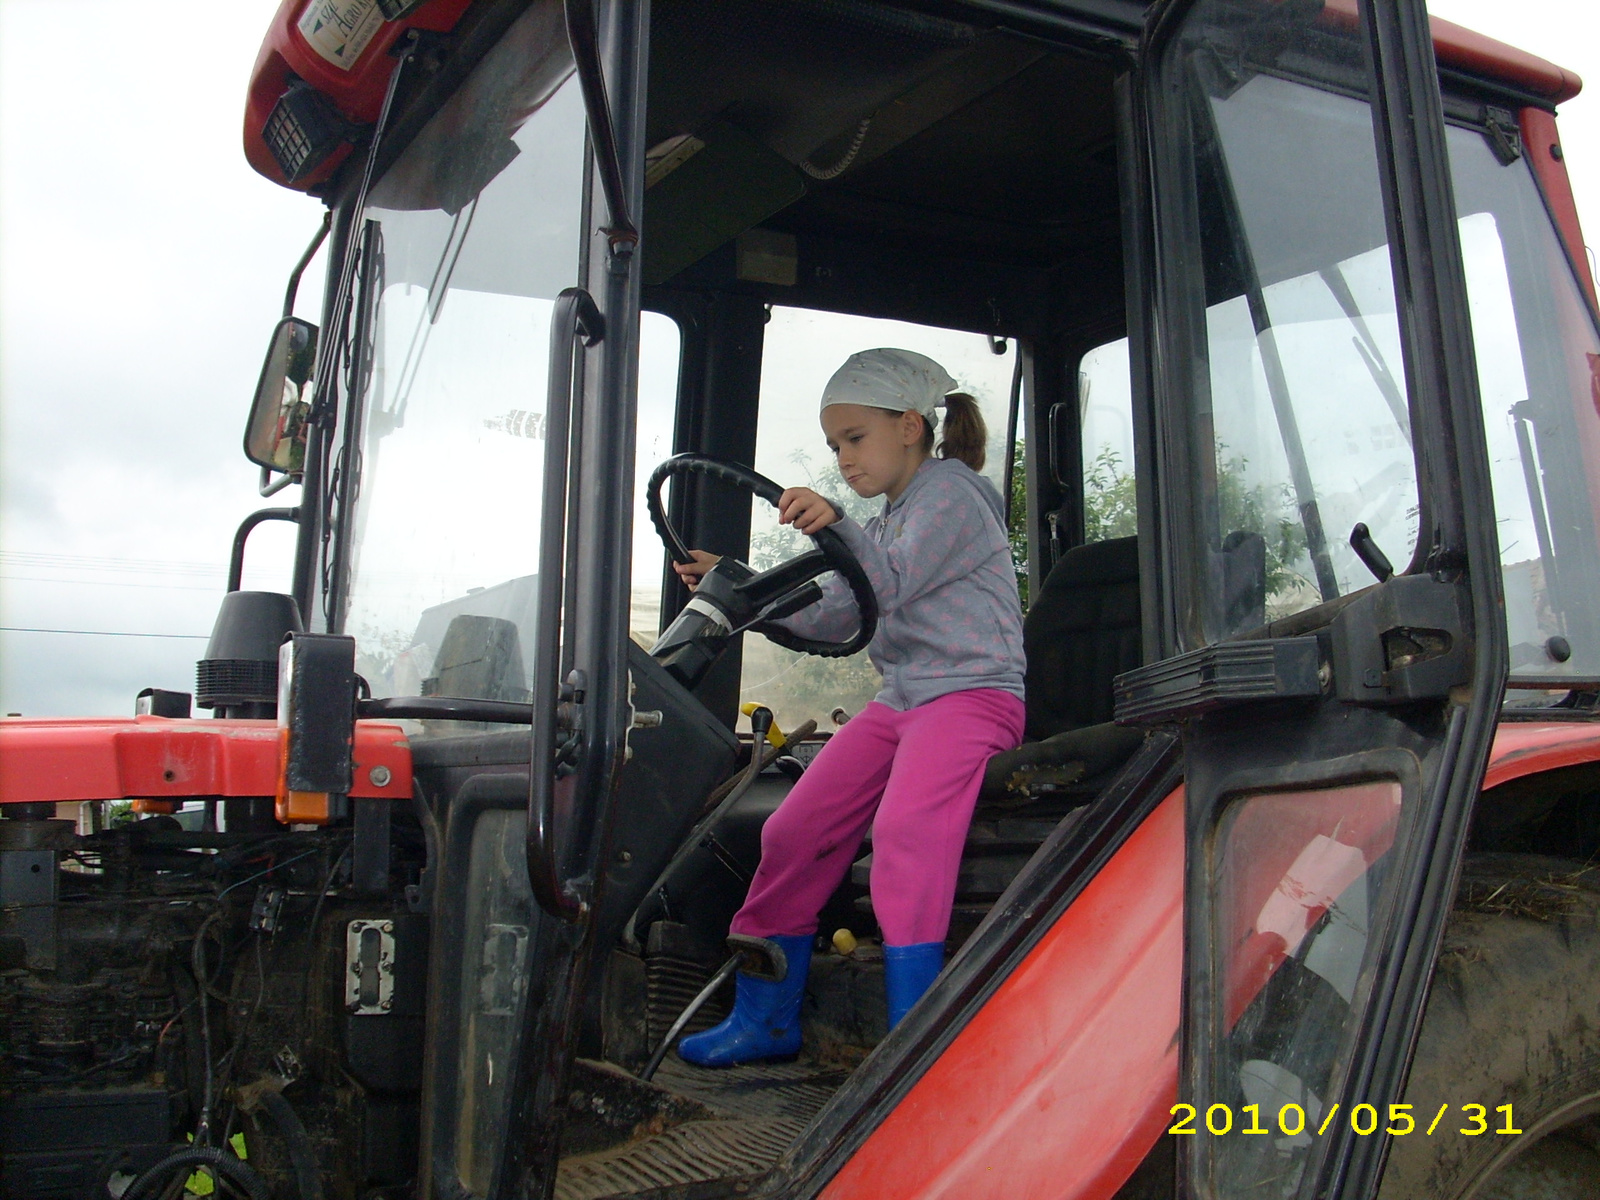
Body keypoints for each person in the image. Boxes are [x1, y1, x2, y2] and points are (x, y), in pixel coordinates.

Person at [673, 347, 1027, 1067]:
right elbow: (840, 614)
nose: (844, 459)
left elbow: (884, 585)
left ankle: (914, 1052)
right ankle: (767, 1018)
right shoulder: (893, 517)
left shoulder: (953, 495)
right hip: (904, 700)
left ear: (908, 427)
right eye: (836, 446)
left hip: (974, 694)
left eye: (855, 439)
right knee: (793, 830)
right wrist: (743, 595)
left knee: (903, 835)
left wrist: (834, 526)